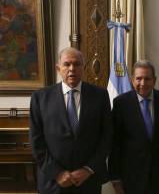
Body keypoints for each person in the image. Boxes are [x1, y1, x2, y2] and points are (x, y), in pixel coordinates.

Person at [29, 47, 113, 194]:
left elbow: (106, 137)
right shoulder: (40, 98)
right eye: (67, 64)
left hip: (88, 182)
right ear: (58, 68)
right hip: (53, 183)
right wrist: (57, 173)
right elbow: (36, 141)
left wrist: (88, 169)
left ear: (84, 67)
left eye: (77, 64)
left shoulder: (100, 96)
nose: (72, 69)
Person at [108, 60, 159, 194]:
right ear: (132, 79)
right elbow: (115, 143)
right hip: (130, 175)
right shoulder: (120, 104)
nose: (143, 83)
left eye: (147, 79)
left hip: (158, 174)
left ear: (154, 80)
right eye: (138, 78)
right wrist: (115, 178)